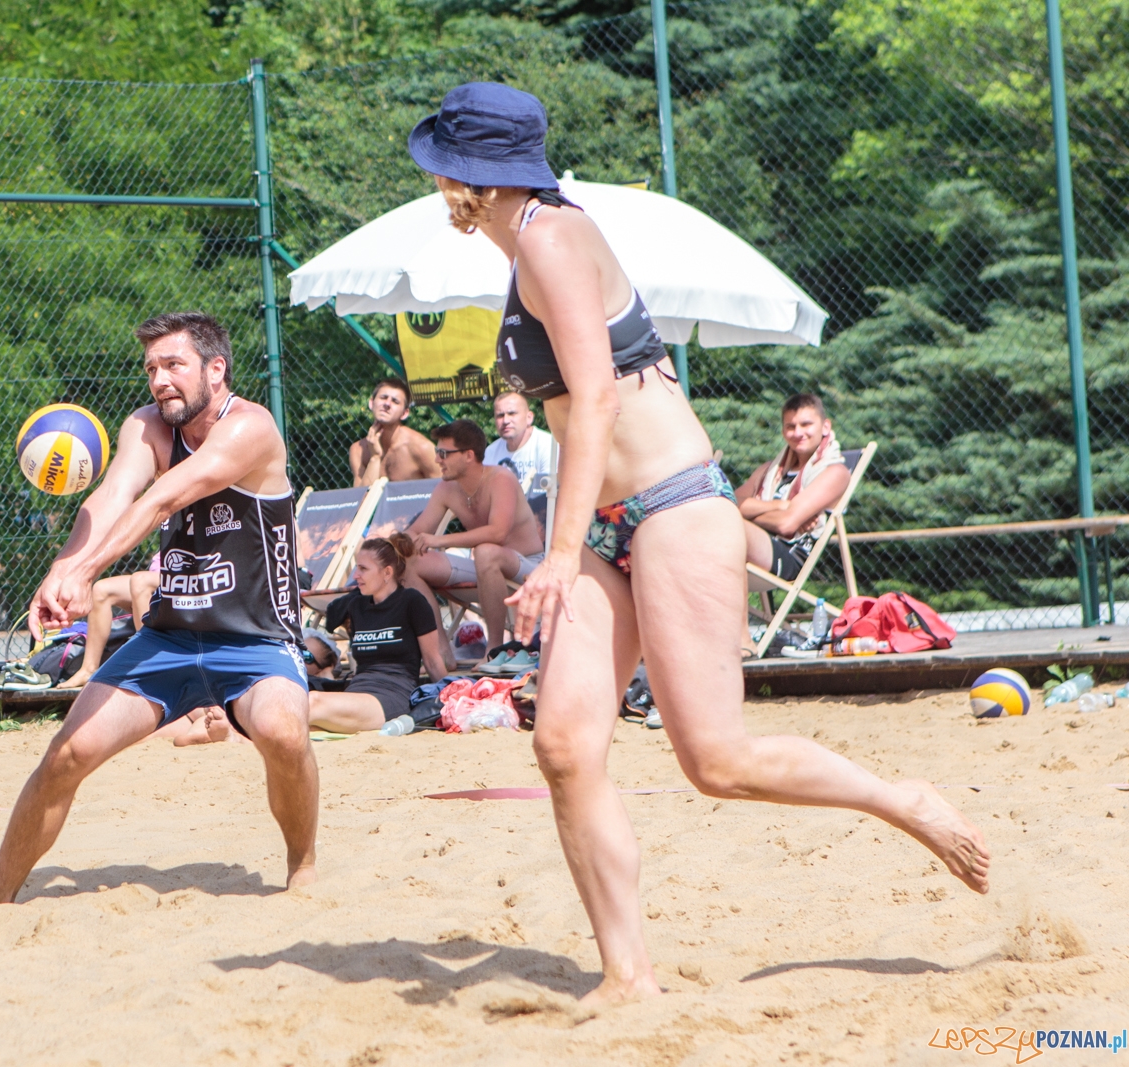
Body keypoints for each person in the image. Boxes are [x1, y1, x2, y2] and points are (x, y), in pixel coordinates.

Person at [407, 82, 989, 1007]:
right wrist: (578, 538)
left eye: (441, 163)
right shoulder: (527, 247)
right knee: (562, 745)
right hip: (609, 521)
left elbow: (595, 399)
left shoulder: (552, 234)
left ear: (471, 174)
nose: (434, 177)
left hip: (673, 508)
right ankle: (628, 974)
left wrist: (555, 555)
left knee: (714, 762)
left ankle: (900, 796)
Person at [0, 311, 319, 906]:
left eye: (173, 365)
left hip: (257, 637)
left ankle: (303, 864)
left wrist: (86, 572)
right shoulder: (147, 426)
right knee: (68, 755)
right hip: (171, 638)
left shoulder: (251, 428)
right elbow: (113, 497)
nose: (160, 380)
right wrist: (61, 571)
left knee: (283, 734)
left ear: (216, 369)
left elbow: (165, 497)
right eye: (152, 368)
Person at [403, 418, 544, 656]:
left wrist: (439, 541)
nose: (437, 459)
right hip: (484, 568)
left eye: (443, 453)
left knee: (486, 551)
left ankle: (494, 649)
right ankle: (440, 650)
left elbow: (497, 533)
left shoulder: (500, 478)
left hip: (528, 565)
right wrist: (395, 543)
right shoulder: (446, 488)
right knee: (410, 562)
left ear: (468, 455)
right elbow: (417, 530)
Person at [735, 393, 849, 655]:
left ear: (825, 426)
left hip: (788, 556)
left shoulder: (834, 472)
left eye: (806, 424)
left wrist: (749, 512)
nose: (798, 432)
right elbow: (730, 502)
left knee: (730, 525)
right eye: (790, 426)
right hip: (758, 545)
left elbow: (787, 526)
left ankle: (742, 640)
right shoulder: (769, 470)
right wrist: (781, 505)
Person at [310, 535, 448, 733]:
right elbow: (333, 617)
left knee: (312, 703)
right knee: (309, 719)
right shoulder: (357, 605)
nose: (356, 575)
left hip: (392, 696)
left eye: (363, 569)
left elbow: (433, 661)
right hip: (357, 691)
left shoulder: (412, 602)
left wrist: (450, 699)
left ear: (387, 572)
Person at [57, 562, 160, 689]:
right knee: (101, 589)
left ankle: (147, 668)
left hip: (184, 581)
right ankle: (88, 670)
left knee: (141, 582)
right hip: (158, 575)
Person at [348, 378, 442, 485]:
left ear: (405, 413)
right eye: (383, 398)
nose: (387, 404)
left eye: (395, 401)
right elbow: (362, 499)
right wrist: (375, 458)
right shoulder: (358, 451)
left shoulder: (421, 448)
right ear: (371, 403)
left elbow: (445, 491)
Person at [484, 391, 556, 498]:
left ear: (529, 418)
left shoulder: (548, 445)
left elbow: (546, 495)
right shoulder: (491, 452)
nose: (505, 420)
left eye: (512, 413)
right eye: (500, 415)